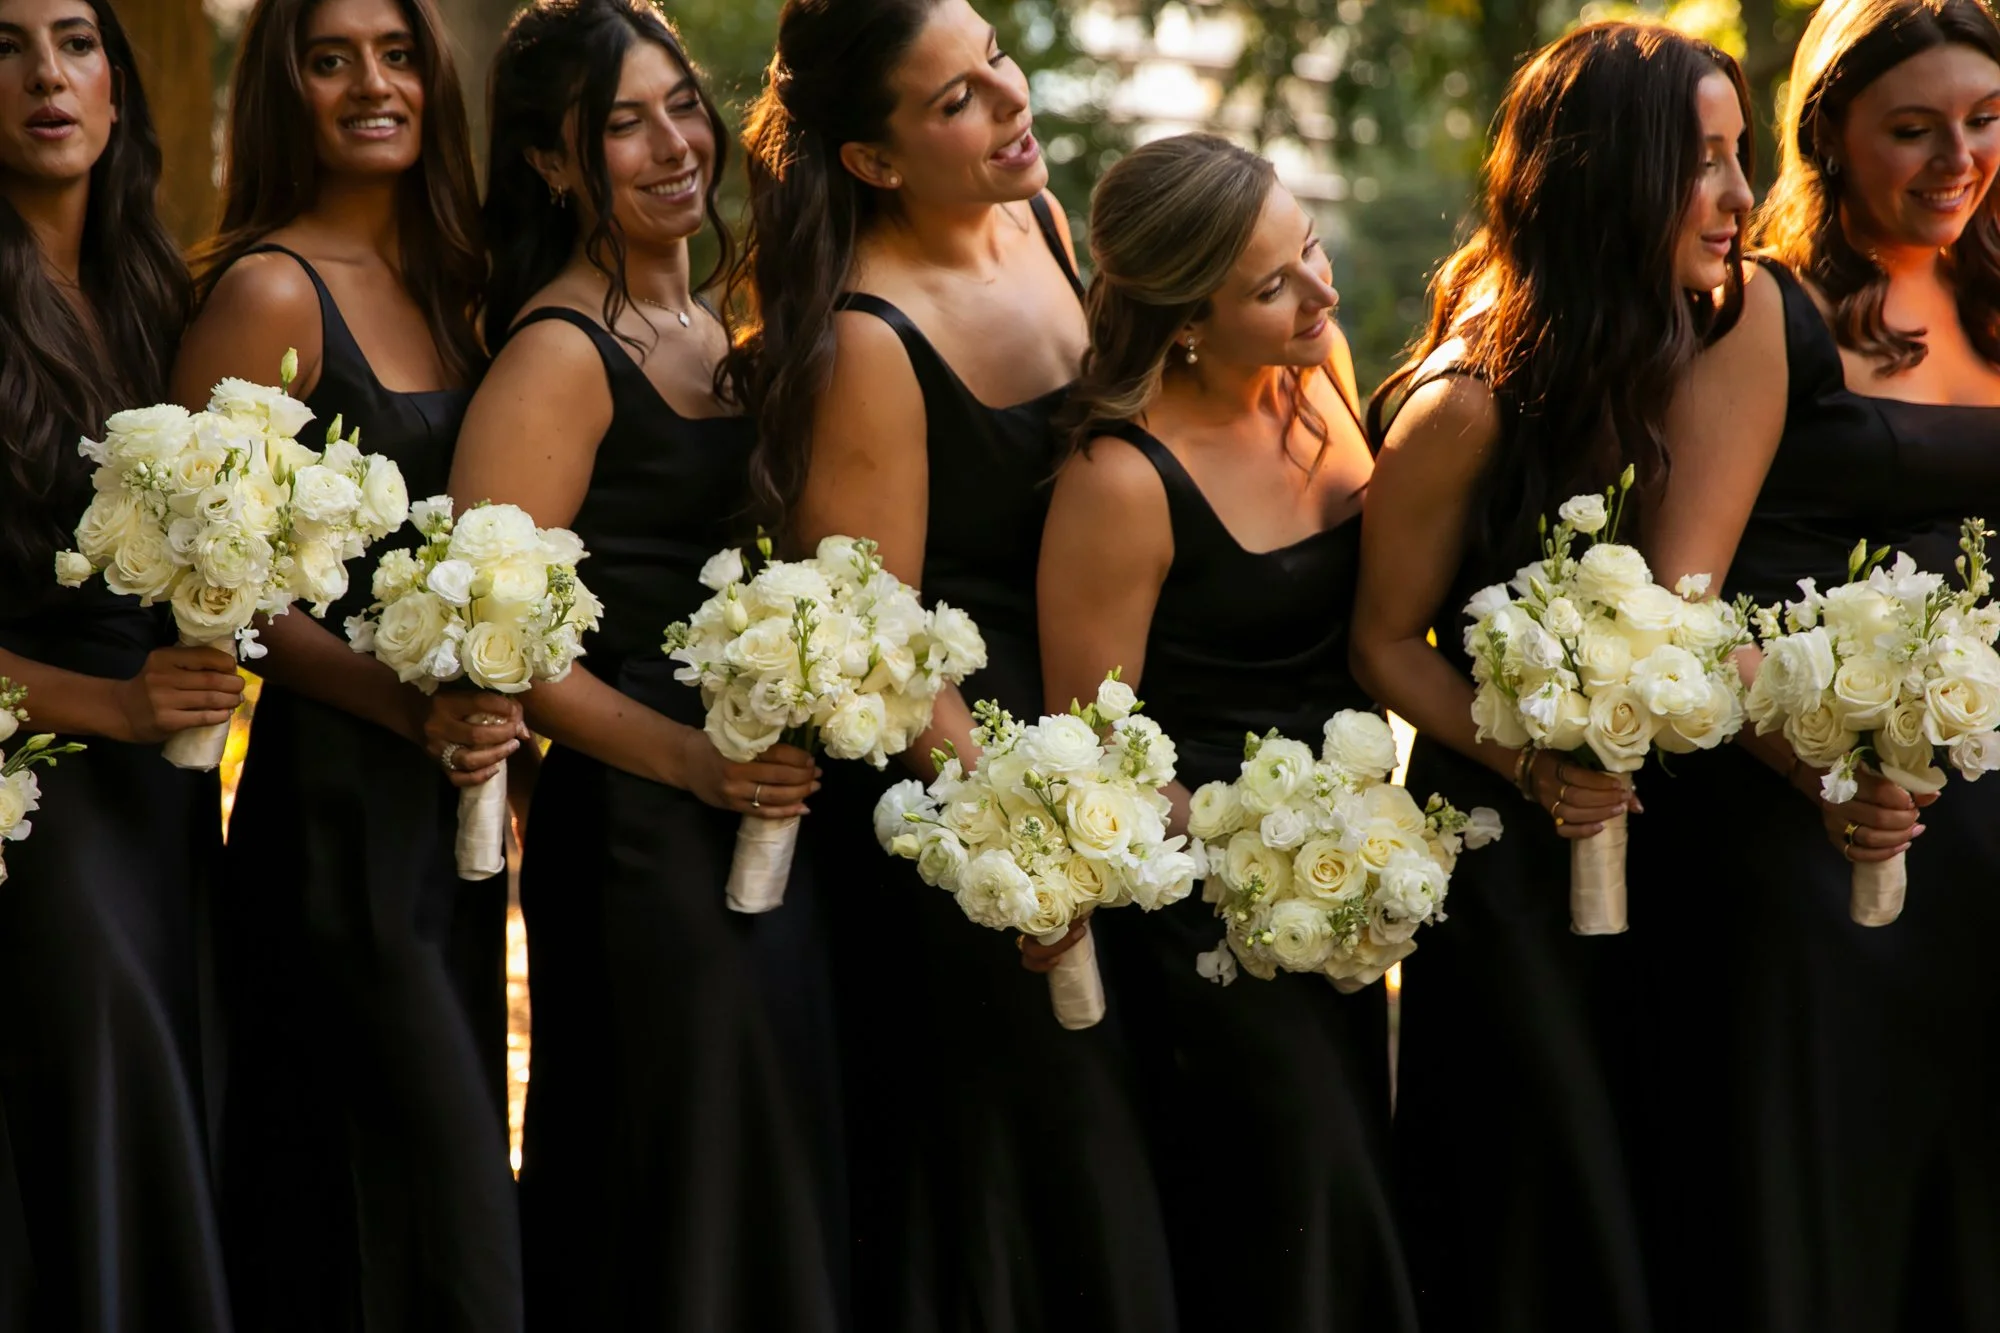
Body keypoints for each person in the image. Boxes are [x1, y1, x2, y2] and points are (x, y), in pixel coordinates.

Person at [722, 0, 1175, 1325]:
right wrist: (1030, 856)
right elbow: (879, 647)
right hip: (968, 816)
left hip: (1096, 775)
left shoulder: (1038, 224)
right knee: (1016, 1183)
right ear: (871, 159)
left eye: (996, 67)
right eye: (956, 100)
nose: (1007, 101)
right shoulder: (867, 341)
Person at [1349, 22, 1754, 1331]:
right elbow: (1382, 641)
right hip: (1517, 863)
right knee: (1548, 1204)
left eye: (1742, 157)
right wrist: (1532, 758)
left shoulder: (1708, 349)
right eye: (1703, 162)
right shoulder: (1471, 401)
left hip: (1688, 846)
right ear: (1611, 176)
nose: (1740, 199)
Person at [457, 2, 841, 1326]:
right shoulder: (559, 356)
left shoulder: (723, 332)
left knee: (771, 1159)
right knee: (682, 1175)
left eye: (682, 103)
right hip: (640, 831)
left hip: (762, 802)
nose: (677, 141)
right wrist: (691, 761)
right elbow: (501, 653)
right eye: (625, 123)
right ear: (555, 165)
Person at [1640, 0, 2000, 1325]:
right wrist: (1824, 776)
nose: (1958, 158)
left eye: (1985, 120)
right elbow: (1675, 605)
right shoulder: (1763, 316)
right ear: (1830, 139)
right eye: (1913, 130)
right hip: (1815, 840)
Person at [172, 0, 523, 1326]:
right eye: (330, 60)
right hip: (334, 815)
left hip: (456, 811)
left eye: (393, 55)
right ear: (286, 90)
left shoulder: (463, 283)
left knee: (438, 1189)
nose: (370, 84)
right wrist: (401, 703)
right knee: (402, 1200)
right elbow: (216, 587)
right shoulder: (269, 289)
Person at [1039, 132, 1412, 1331]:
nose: (1319, 291)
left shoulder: (1321, 370)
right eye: (1272, 285)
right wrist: (1254, 835)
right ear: (1184, 320)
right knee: (1289, 1211)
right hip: (1210, 918)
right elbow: (1083, 751)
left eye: (1308, 249)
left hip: (1345, 892)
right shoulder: (1122, 476)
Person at [0, 0, 238, 1327]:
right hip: (37, 786)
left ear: (117, 83)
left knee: (186, 1077)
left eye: (76, 40)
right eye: (3, 45)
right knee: (102, 1079)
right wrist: (114, 706)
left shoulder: (166, 291)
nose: (45, 73)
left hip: (168, 785)